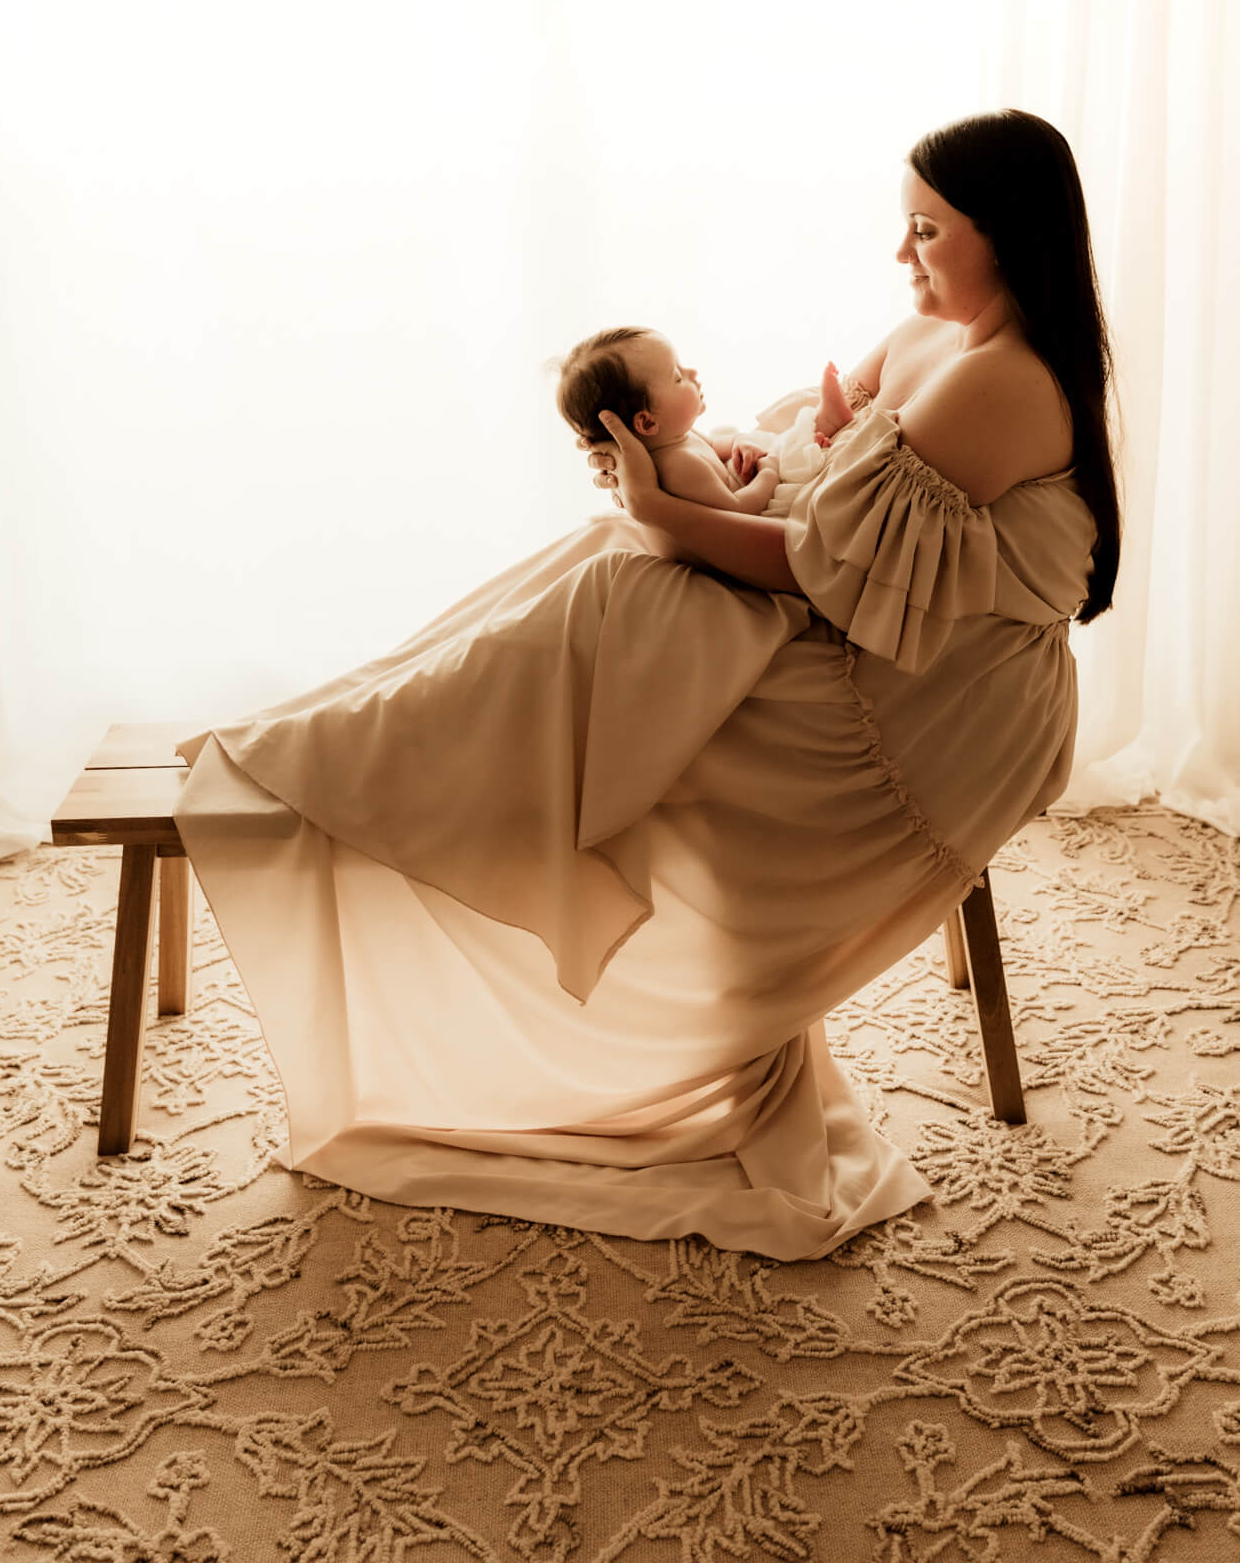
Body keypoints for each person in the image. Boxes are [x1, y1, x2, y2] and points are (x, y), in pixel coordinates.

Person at [174, 109, 1119, 1263]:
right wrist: (708, 479)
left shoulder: (1000, 379)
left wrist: (667, 507)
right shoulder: (935, 333)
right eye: (902, 227)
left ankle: (396, 760)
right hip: (880, 636)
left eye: (924, 230)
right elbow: (815, 466)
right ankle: (372, 734)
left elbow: (820, 568)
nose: (901, 255)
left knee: (626, 591)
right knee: (607, 570)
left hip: (934, 709)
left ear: (1007, 234)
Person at [555, 327, 857, 515]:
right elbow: (739, 509)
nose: (693, 374)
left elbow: (714, 444)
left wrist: (740, 443)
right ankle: (824, 423)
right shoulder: (678, 467)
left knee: (750, 435)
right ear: (647, 424)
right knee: (787, 458)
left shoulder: (677, 438)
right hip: (760, 504)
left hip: (742, 477)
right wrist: (768, 470)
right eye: (677, 376)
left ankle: (818, 428)